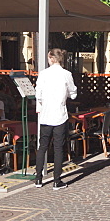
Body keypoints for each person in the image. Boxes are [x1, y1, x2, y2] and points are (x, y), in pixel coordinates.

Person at [35, 48, 77, 190]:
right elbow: (73, 94)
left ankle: (38, 179)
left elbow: (38, 95)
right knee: (59, 148)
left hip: (45, 114)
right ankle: (56, 181)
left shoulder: (43, 74)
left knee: (43, 147)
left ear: (51, 58)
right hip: (60, 114)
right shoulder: (66, 74)